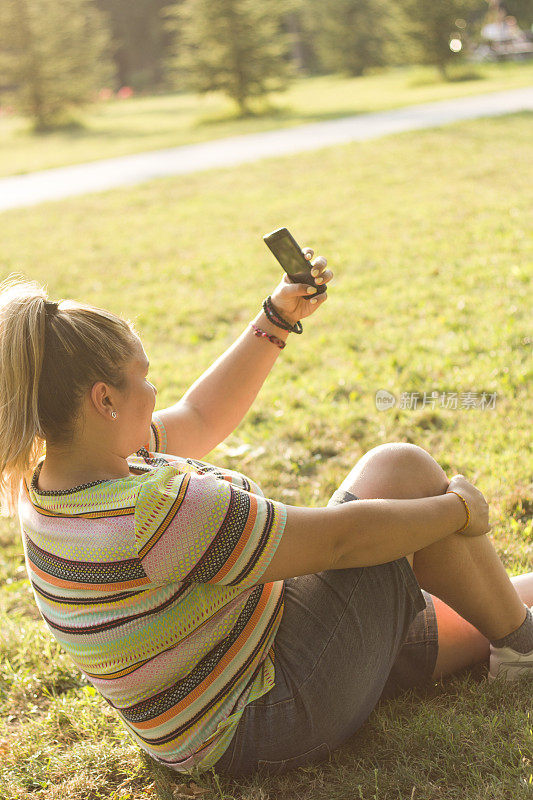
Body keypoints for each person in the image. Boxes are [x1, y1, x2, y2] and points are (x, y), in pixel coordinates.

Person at [0, 256, 531, 780]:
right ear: (104, 400)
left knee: (501, 602)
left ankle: (514, 634)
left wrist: (276, 317)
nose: (154, 391)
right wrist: (459, 509)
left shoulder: (59, 475)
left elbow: (199, 416)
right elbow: (339, 544)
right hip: (266, 714)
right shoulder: (152, 511)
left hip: (227, 683)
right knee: (401, 468)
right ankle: (522, 647)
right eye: (144, 376)